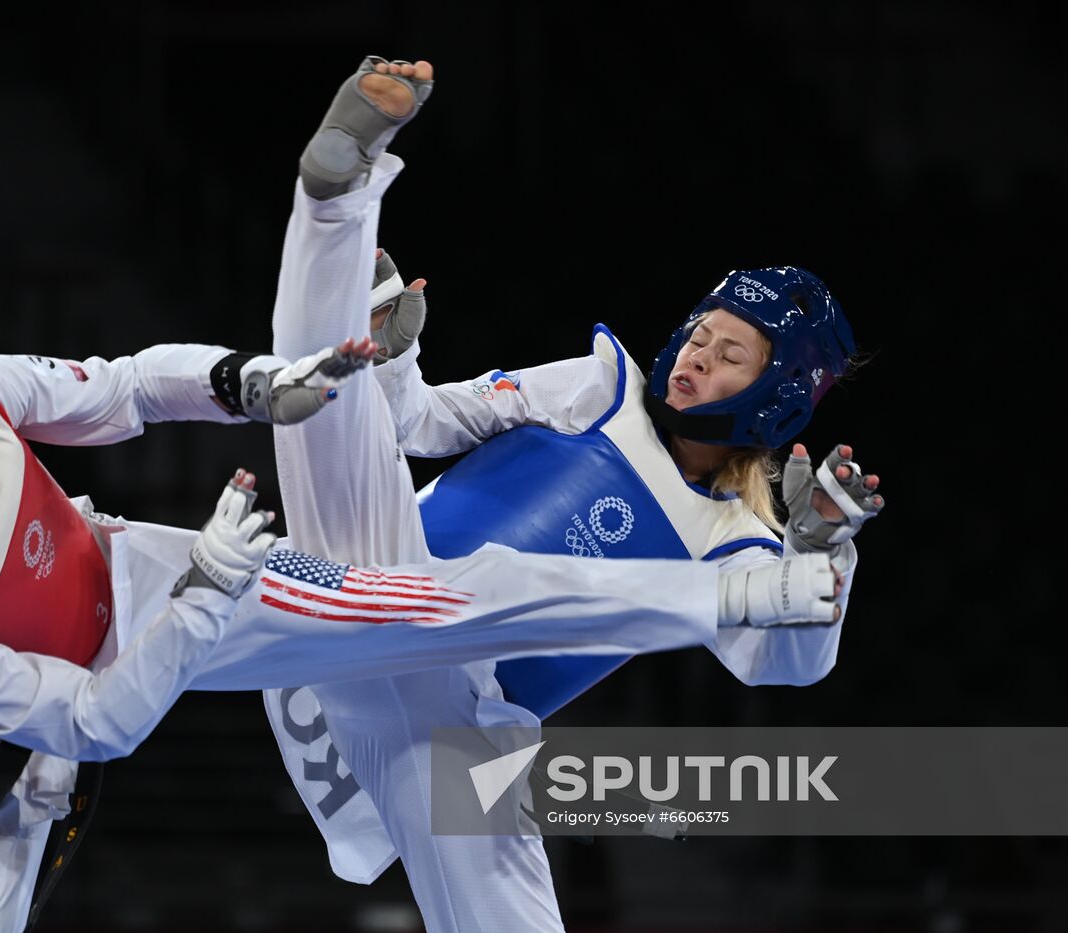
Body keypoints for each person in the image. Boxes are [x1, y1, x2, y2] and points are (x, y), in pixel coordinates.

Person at [0, 333, 834, 930]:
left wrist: (245, 383)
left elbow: (120, 387)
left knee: (443, 602)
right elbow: (94, 723)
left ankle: (723, 599)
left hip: (130, 578)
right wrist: (204, 596)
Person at [261, 56, 882, 933]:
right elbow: (415, 425)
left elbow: (787, 663)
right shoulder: (599, 387)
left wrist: (819, 551)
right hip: (368, 591)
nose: (698, 356)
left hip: (442, 720)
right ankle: (337, 196)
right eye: (700, 334)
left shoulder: (731, 540)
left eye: (729, 354)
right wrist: (393, 356)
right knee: (331, 396)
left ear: (776, 398)